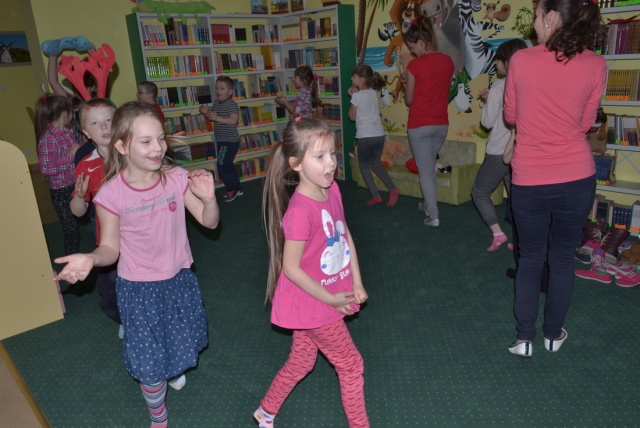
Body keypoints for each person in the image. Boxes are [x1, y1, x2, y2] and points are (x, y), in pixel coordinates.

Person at [53, 101, 220, 426]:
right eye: (146, 141)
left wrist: (210, 199)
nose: (158, 148)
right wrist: (90, 257)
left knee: (177, 341)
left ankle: (171, 366)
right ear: (121, 146)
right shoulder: (111, 194)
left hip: (179, 280)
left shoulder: (175, 177)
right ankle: (159, 418)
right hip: (140, 290)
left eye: (160, 138)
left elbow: (209, 222)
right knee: (148, 365)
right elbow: (109, 249)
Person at [503, 0, 606, 357]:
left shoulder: (521, 59)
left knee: (530, 258)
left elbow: (511, 116)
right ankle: (552, 335)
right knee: (562, 258)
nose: (533, 24)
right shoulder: (596, 64)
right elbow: (585, 123)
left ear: (550, 17)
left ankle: (524, 339)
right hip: (577, 178)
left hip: (530, 179)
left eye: (535, 16)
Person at [255, 118, 370, 428]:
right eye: (319, 156)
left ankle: (265, 411)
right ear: (296, 164)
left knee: (302, 361)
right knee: (351, 365)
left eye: (332, 153)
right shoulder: (300, 212)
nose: (331, 162)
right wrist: (331, 300)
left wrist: (357, 280)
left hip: (323, 294)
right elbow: (291, 269)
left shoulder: (332, 190)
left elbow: (344, 235)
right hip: (313, 302)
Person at [70, 98, 121, 330]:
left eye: (109, 120)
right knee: (110, 285)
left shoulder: (134, 153)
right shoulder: (85, 165)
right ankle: (123, 318)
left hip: (142, 233)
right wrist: (79, 198)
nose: (104, 127)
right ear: (85, 132)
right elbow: (78, 212)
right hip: (109, 239)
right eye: (95, 123)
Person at [472, 39, 527, 252]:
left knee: (479, 192)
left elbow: (487, 122)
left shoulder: (498, 86)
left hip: (498, 152)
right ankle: (521, 242)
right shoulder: (527, 84)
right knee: (517, 199)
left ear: (507, 62)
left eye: (498, 60)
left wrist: (489, 101)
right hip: (520, 150)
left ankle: (497, 233)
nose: (495, 64)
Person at [403, 15, 454, 228]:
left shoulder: (414, 66)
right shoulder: (448, 62)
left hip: (420, 125)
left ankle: (433, 216)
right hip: (441, 124)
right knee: (429, 166)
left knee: (425, 169)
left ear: (421, 42)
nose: (412, 51)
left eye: (412, 46)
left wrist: (407, 81)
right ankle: (428, 203)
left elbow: (409, 100)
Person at [348, 64, 400, 207]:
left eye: (354, 76)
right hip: (379, 136)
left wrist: (352, 97)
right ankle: (393, 189)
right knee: (375, 164)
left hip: (365, 136)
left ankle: (376, 195)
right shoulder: (374, 93)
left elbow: (351, 116)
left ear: (361, 79)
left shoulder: (357, 96)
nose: (351, 78)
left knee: (364, 165)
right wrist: (355, 94)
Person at [36, 93, 81, 256]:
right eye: (71, 112)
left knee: (76, 222)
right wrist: (70, 156)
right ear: (64, 113)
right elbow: (46, 169)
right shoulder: (48, 139)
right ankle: (71, 261)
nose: (72, 115)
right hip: (60, 191)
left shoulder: (68, 133)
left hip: (73, 185)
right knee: (71, 229)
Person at [47, 53, 98, 165]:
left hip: (99, 146)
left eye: (85, 86)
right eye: (77, 86)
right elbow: (53, 81)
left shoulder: (100, 102)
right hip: (82, 150)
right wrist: (53, 55)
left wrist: (92, 52)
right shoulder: (73, 102)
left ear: (93, 87)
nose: (80, 89)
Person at [199, 76, 243, 202]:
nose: (218, 90)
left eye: (222, 88)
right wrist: (205, 111)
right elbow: (212, 116)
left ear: (230, 92)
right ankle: (237, 189)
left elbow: (233, 120)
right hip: (221, 140)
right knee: (227, 165)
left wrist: (217, 118)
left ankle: (232, 189)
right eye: (217, 88)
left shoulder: (231, 104)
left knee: (222, 165)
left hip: (229, 141)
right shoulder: (216, 103)